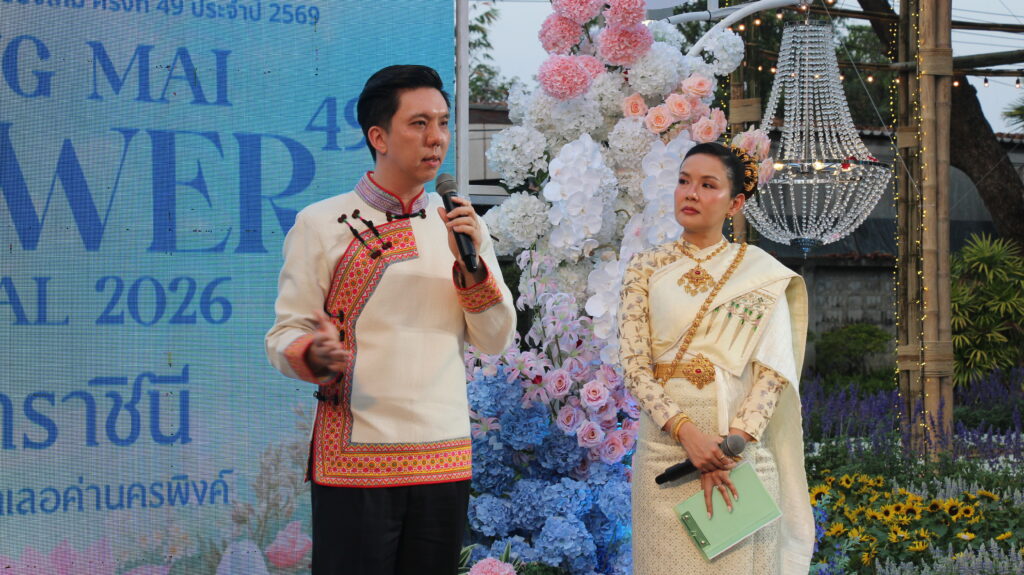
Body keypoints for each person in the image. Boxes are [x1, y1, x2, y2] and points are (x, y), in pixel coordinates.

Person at [265, 65, 516, 575]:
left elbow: (494, 339)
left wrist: (471, 268)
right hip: (356, 459)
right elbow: (285, 334)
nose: (436, 138)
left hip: (443, 455)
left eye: (442, 123)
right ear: (378, 137)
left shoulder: (461, 224)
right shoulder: (320, 224)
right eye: (419, 123)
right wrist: (312, 353)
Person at [618, 142, 814, 574]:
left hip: (741, 454)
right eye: (684, 181)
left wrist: (728, 447)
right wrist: (690, 437)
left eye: (708, 185)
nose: (691, 193)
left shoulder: (762, 274)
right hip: (665, 452)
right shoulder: (645, 267)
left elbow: (773, 374)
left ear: (735, 203)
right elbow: (634, 366)